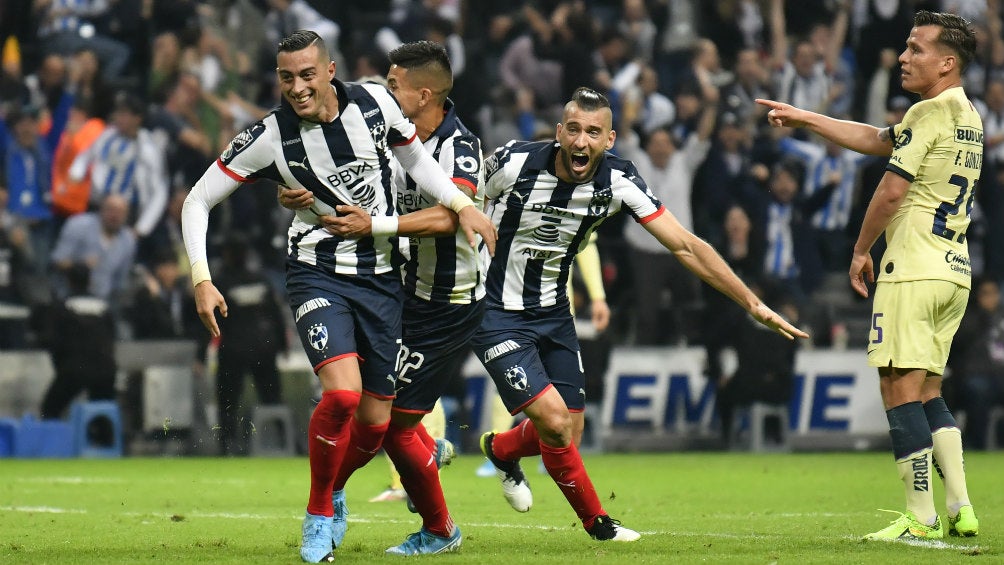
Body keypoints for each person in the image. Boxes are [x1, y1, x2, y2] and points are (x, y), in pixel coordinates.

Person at [180, 30, 496, 564]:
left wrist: (461, 206)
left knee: (375, 424)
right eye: (286, 77)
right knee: (343, 396)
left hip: (381, 280)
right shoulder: (269, 136)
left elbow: (417, 161)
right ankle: (318, 515)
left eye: (307, 74)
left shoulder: (374, 100)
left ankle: (354, 501)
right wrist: (201, 278)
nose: (298, 88)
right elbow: (197, 199)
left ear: (330, 70)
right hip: (316, 272)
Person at [472, 87, 807, 542]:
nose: (581, 141)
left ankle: (501, 450)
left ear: (609, 140)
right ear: (558, 133)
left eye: (593, 132)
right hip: (494, 310)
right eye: (573, 129)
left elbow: (685, 245)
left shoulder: (619, 181)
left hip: (553, 311)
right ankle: (600, 526)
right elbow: (464, 207)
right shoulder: (512, 162)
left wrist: (751, 302)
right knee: (553, 421)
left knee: (569, 428)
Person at [756, 10, 980, 540]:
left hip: (913, 269)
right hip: (953, 271)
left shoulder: (929, 112)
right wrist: (807, 118)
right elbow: (879, 138)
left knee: (897, 385)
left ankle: (921, 518)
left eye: (916, 49)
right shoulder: (965, 115)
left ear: (947, 63)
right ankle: (960, 508)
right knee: (927, 389)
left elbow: (893, 187)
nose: (904, 57)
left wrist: (860, 250)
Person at [278, 40, 481, 556]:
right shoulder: (382, 135)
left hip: (445, 306)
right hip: (393, 289)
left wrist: (378, 226)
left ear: (424, 94)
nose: (381, 93)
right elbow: (349, 189)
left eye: (393, 86)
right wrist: (295, 191)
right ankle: (389, 488)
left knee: (393, 425)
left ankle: (431, 520)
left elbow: (449, 216)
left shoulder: (460, 148)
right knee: (375, 416)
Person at [38, 263, 117, 419]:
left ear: (69, 281)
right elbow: (112, 337)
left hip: (73, 369)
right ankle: (103, 439)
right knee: (102, 413)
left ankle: (55, 441)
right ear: (90, 281)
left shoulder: (62, 306)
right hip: (105, 369)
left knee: (49, 409)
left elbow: (52, 340)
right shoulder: (104, 307)